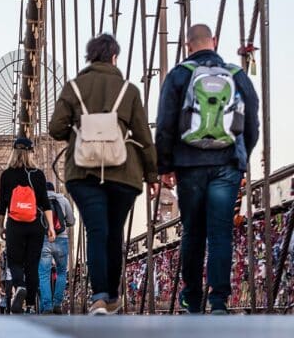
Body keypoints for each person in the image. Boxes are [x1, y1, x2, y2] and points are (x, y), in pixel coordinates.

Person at [50, 33, 158, 315]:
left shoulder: (73, 88)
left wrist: (80, 126)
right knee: (114, 233)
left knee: (96, 231)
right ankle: (111, 295)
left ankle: (99, 296)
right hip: (123, 174)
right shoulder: (129, 90)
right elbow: (144, 136)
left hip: (83, 173)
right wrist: (153, 175)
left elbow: (55, 129)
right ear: (114, 57)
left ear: (89, 58)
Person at [155, 24, 259, 315]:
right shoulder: (236, 75)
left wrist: (164, 166)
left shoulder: (178, 75)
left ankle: (191, 297)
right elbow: (252, 120)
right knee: (220, 231)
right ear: (214, 42)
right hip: (227, 165)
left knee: (193, 231)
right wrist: (241, 156)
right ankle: (218, 300)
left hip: (189, 165)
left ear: (188, 45)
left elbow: (164, 124)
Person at [0, 137, 57, 314]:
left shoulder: (7, 175)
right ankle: (30, 305)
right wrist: (51, 227)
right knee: (32, 265)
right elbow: (45, 203)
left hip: (15, 224)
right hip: (35, 225)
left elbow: (2, 204)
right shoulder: (38, 174)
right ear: (31, 152)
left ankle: (20, 286)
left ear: (13, 151)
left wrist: (1, 226)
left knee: (15, 262)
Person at [38, 181, 75, 315]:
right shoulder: (63, 199)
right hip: (61, 239)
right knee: (61, 272)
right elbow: (71, 221)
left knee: (43, 275)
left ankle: (47, 306)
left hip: (44, 239)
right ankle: (57, 304)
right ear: (54, 189)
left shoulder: (38, 199)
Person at [0, 248, 13, 313]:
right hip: (16, 274)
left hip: (7, 277)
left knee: (8, 295)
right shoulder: (17, 247)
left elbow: (3, 266)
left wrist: (0, 259)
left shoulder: (4, 252)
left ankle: (8, 310)